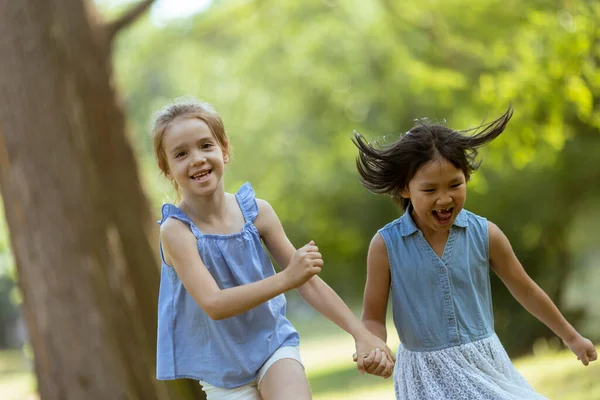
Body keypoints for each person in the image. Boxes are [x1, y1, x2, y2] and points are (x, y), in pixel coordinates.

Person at [152, 98, 394, 400]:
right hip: (223, 373)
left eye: (206, 146)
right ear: (167, 169)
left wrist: (361, 334)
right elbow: (214, 304)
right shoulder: (176, 231)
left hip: (273, 345)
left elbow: (307, 282)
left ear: (224, 150)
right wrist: (286, 279)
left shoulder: (258, 213)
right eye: (181, 153)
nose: (197, 159)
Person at [352, 106, 597, 399]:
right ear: (405, 189)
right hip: (425, 375)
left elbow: (527, 291)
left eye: (455, 184)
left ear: (466, 178)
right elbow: (372, 317)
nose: (445, 198)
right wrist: (375, 346)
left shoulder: (486, 234)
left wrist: (571, 337)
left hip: (485, 364)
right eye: (430, 190)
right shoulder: (386, 245)